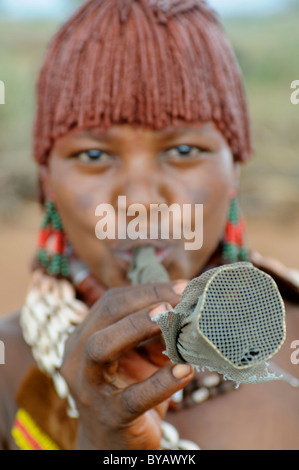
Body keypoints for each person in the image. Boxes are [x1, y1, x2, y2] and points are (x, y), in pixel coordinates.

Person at [1, 0, 299, 451]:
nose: (139, 201)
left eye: (183, 150)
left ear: (235, 168)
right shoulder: (9, 372)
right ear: (48, 183)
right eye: (94, 155)